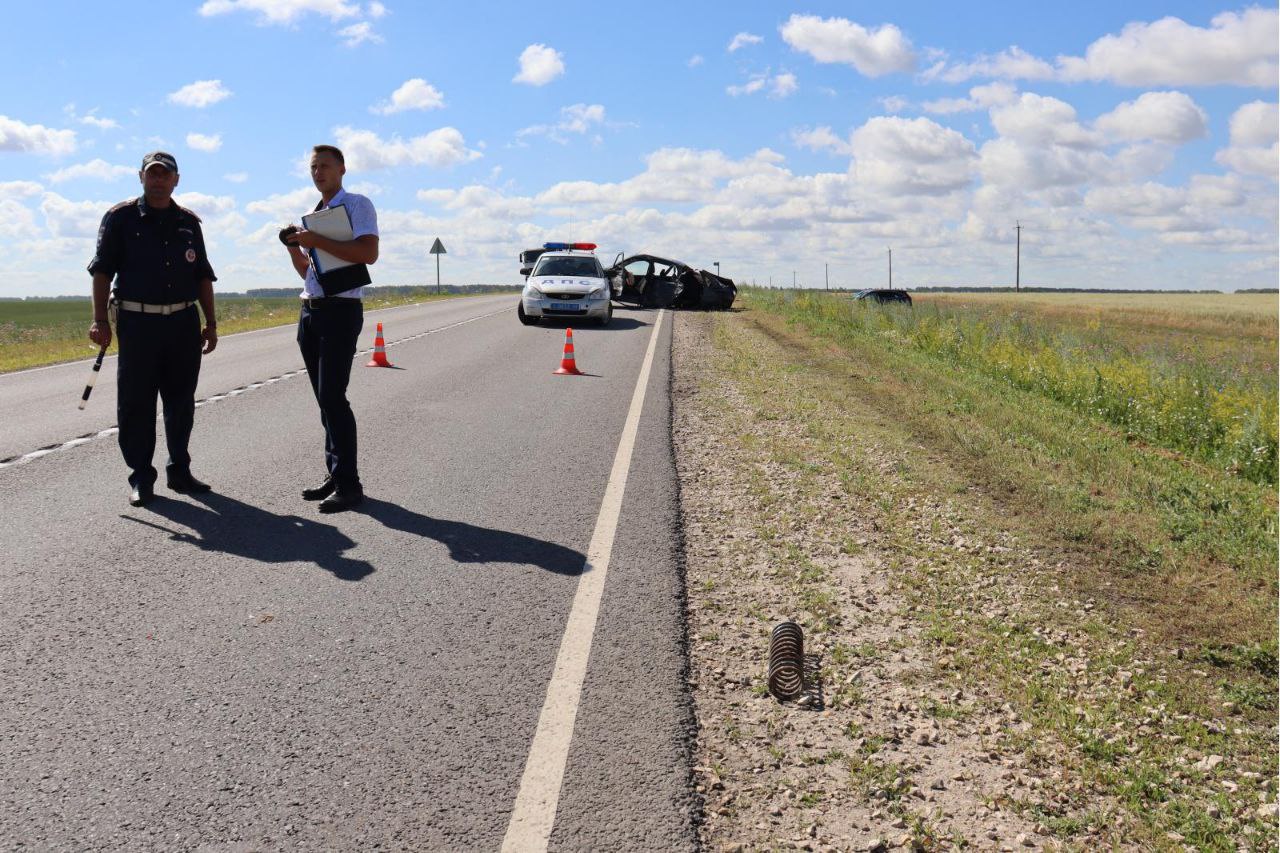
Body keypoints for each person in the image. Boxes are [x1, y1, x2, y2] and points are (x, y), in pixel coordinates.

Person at [87, 151, 218, 507]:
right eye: (152, 174)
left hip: (182, 324)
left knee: (181, 402)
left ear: (177, 180)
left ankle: (180, 471)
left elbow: (203, 275)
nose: (158, 180)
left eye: (165, 175)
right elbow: (102, 272)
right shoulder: (120, 218)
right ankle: (141, 478)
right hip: (137, 324)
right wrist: (100, 320)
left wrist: (211, 323)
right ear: (141, 177)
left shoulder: (189, 222)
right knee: (136, 405)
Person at [281, 144, 379, 513]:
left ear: (341, 169)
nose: (318, 172)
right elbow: (312, 273)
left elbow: (367, 253)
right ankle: (336, 474)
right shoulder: (314, 215)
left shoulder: (357, 204)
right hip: (311, 311)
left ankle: (350, 485)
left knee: (334, 397)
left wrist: (315, 240)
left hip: (341, 311)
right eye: (313, 167)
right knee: (325, 400)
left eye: (324, 166)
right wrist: (295, 248)